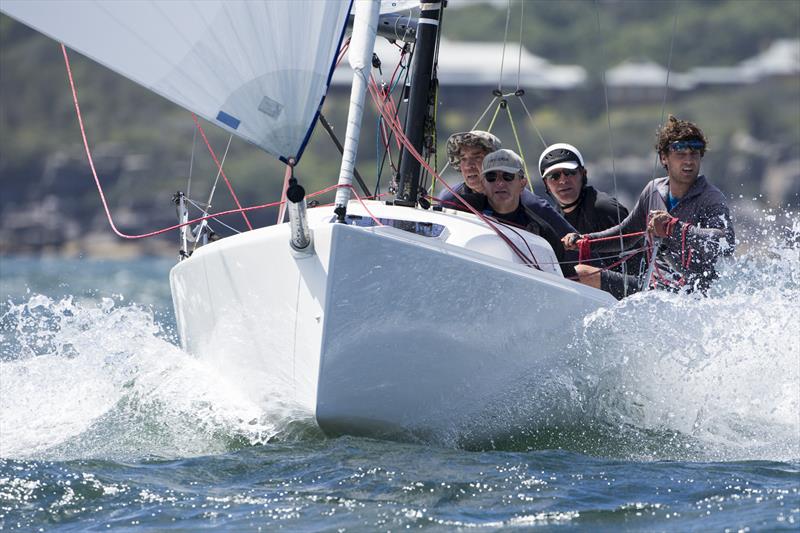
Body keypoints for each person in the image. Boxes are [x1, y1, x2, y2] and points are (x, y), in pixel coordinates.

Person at [563, 115, 735, 297]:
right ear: (664, 158)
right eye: (681, 154)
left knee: (581, 273)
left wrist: (674, 227)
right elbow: (626, 234)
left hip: (691, 297)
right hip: (651, 290)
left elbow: (727, 242)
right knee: (578, 274)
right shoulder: (653, 190)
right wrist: (586, 241)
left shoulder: (711, 198)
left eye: (694, 154)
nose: (688, 161)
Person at [439, 130, 575, 238]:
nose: (469, 165)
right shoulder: (449, 199)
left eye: (477, 157)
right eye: (463, 159)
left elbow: (576, 246)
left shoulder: (532, 205)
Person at [539, 142, 641, 285]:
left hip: (634, 286)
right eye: (554, 176)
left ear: (583, 174)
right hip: (590, 291)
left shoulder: (604, 208)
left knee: (580, 272)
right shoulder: (554, 218)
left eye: (570, 173)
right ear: (546, 183)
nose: (563, 180)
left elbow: (639, 261)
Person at [474, 149, 576, 279]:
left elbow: (568, 278)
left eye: (508, 176)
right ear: (483, 184)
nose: (499, 183)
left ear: (522, 183)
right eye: (491, 177)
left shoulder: (542, 231)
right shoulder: (463, 211)